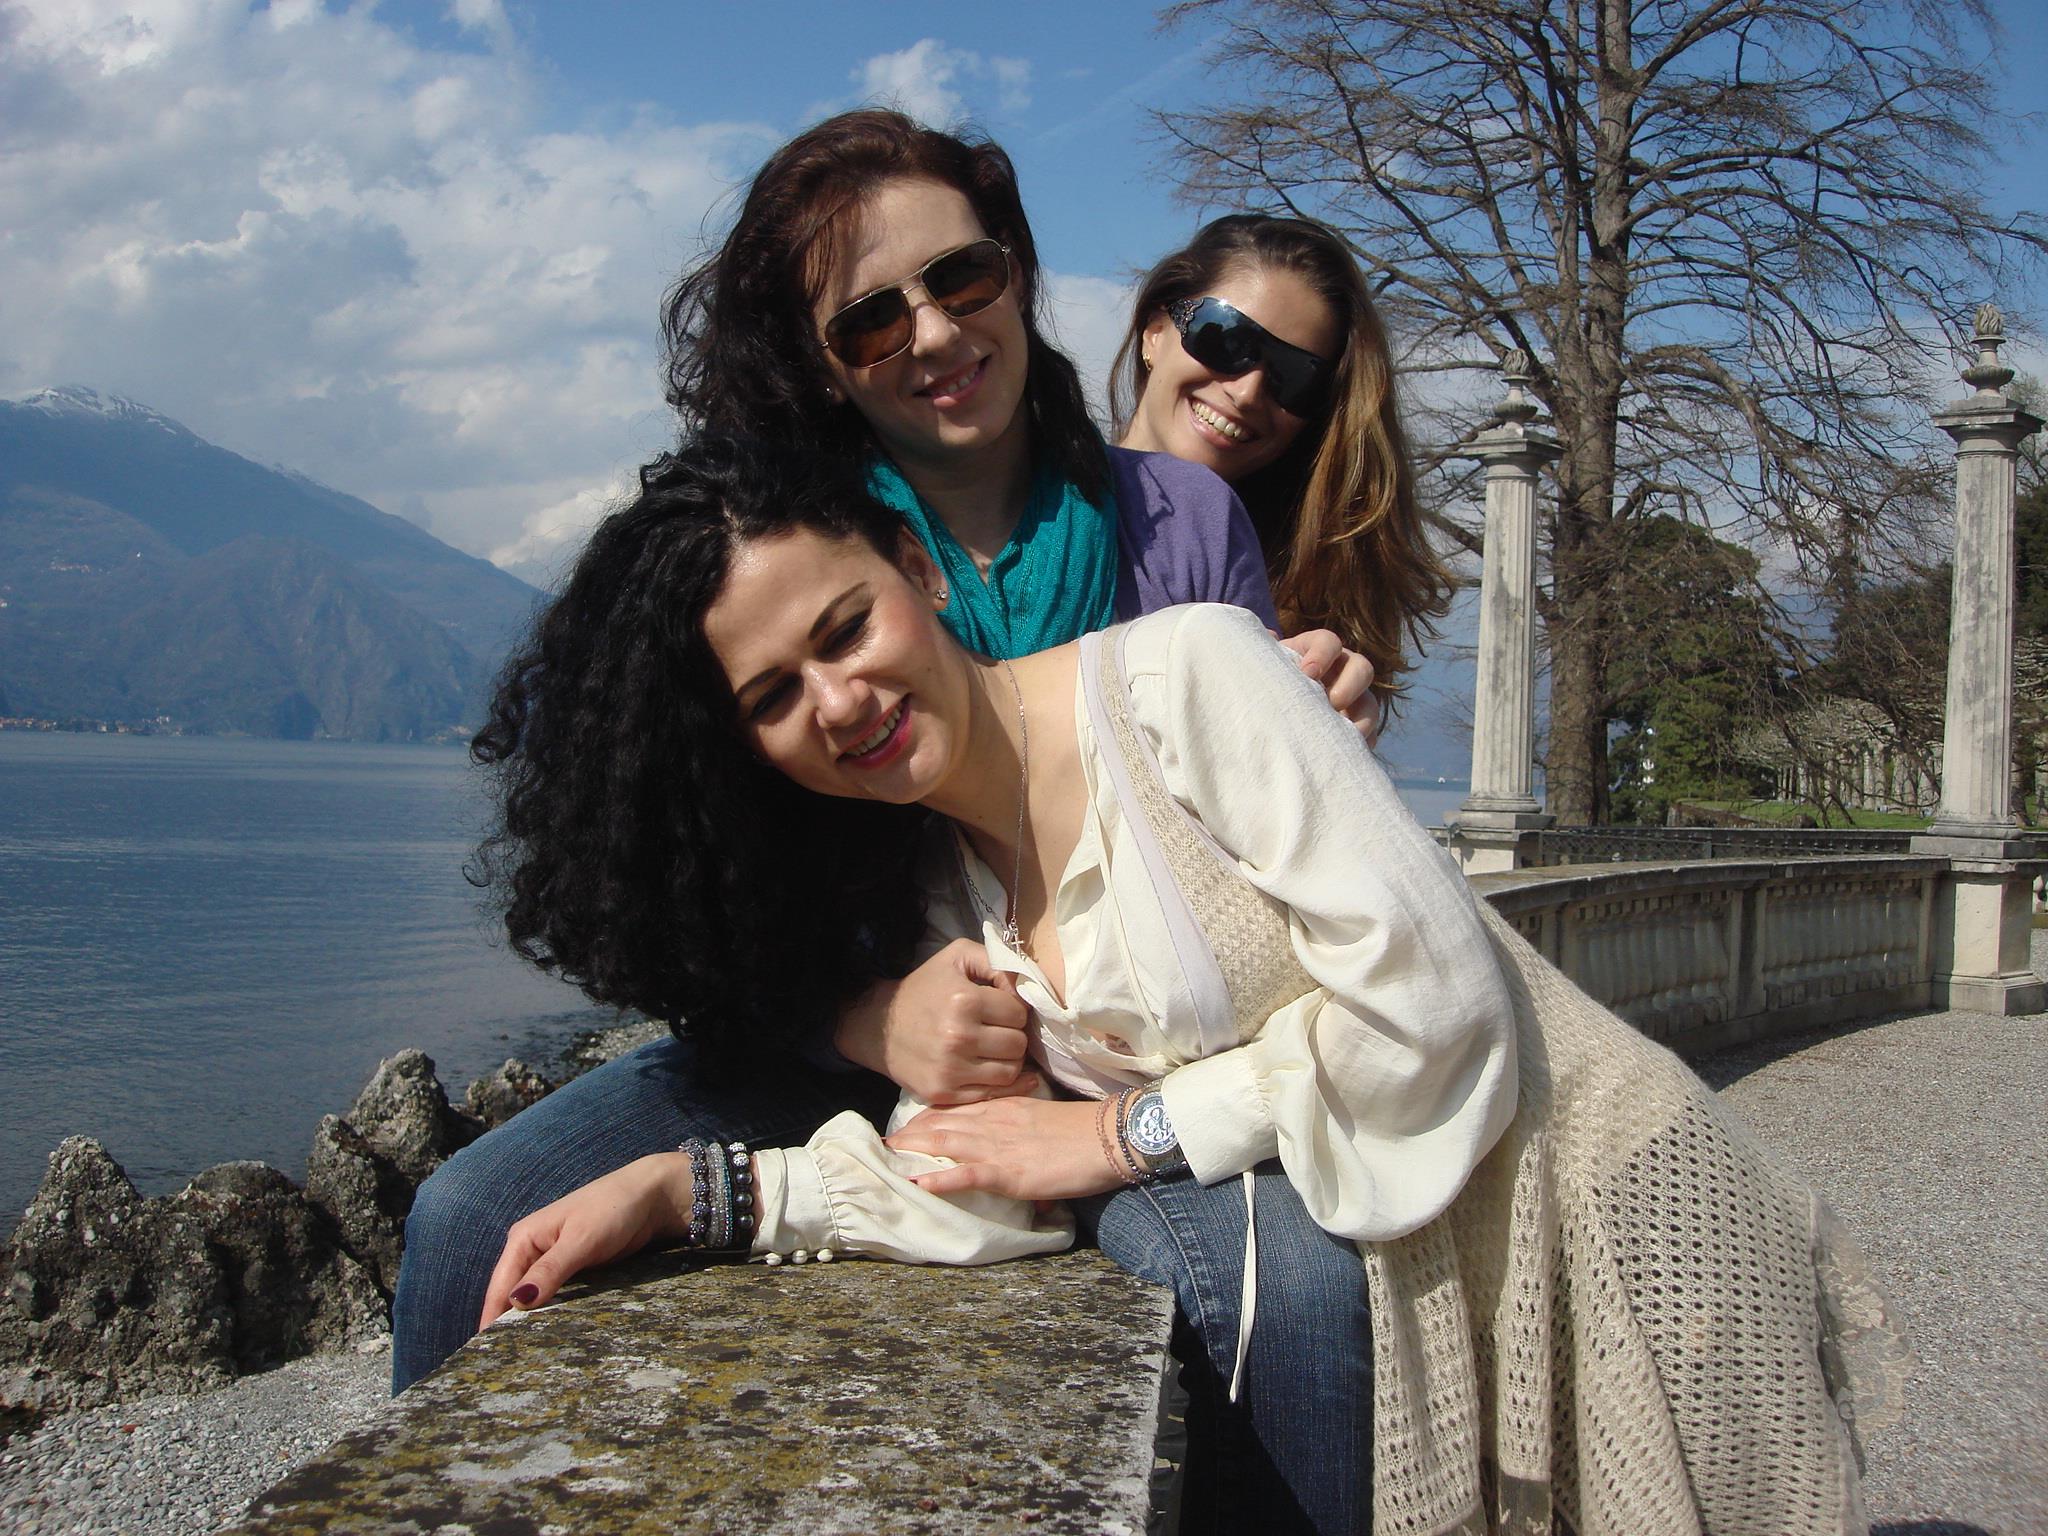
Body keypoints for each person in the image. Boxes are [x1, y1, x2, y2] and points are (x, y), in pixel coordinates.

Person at [475, 438, 1894, 1536]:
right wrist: (690, 1192)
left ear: (915, 568)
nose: (836, 701)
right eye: (774, 696)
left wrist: (1118, 1133)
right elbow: (975, 1178)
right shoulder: (937, 898)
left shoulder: (1184, 679)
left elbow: (1431, 998)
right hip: (1437, 1306)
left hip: (1606, 1213)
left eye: (843, 629)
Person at [395, 110, 1380, 1533]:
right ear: (812, 359)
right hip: (836, 1041)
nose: (933, 332)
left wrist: (1308, 719)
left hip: (1096, 1074)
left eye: (961, 276)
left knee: (1287, 1289)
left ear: (1015, 271)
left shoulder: (1180, 520)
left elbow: (1227, 852)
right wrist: (869, 1018)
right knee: (465, 1220)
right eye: (868, 318)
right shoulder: (777, 545)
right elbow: (696, 894)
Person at [1115, 215, 1456, 722]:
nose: (1247, 391)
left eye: (1295, 377)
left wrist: (1331, 713)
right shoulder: (1024, 499)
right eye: (1225, 338)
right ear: (1156, 332)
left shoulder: (1301, 614)